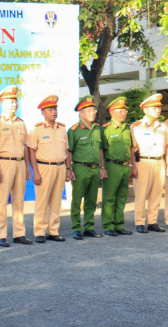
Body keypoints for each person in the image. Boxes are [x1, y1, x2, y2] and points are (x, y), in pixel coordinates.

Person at [0, 85, 32, 247]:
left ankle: (19, 234)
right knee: (0, 202)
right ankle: (1, 235)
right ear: (3, 103)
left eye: (16, 100)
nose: (15, 104)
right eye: (11, 101)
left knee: (19, 201)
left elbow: (25, 146)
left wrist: (28, 167)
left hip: (20, 163)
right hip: (4, 162)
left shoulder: (21, 123)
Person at [28, 95, 69, 243]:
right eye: (50, 109)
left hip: (60, 167)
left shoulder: (62, 129)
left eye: (55, 109)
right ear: (43, 112)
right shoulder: (37, 130)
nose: (54, 112)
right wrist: (36, 172)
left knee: (56, 200)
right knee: (42, 201)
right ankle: (39, 231)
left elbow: (67, 150)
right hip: (44, 167)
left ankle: (53, 230)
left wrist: (68, 168)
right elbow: (31, 151)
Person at [67, 95, 107, 239]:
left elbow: (101, 149)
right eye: (88, 110)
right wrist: (69, 169)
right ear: (80, 112)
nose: (92, 113)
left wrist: (102, 167)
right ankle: (76, 228)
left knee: (92, 200)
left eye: (93, 110)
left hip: (95, 168)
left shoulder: (97, 129)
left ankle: (89, 227)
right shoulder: (74, 130)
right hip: (80, 168)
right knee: (77, 200)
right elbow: (69, 151)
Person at [131, 93, 167, 233]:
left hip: (159, 162)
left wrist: (165, 163)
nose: (158, 110)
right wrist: (132, 166)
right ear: (145, 109)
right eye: (154, 107)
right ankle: (140, 222)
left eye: (158, 107)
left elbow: (166, 147)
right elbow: (132, 148)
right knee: (141, 193)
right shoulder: (137, 126)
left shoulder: (162, 127)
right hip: (143, 162)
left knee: (157, 193)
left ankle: (152, 221)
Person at [101, 97, 135, 236]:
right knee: (109, 197)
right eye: (120, 111)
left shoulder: (127, 128)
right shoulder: (106, 129)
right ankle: (108, 225)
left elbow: (132, 148)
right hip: (111, 165)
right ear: (111, 112)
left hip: (125, 166)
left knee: (122, 197)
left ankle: (119, 224)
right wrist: (102, 168)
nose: (124, 113)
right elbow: (101, 150)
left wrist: (132, 165)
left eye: (125, 110)